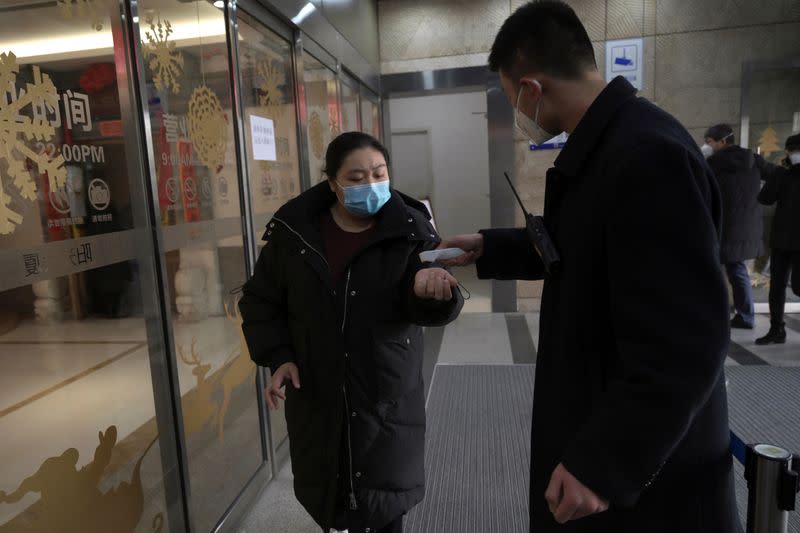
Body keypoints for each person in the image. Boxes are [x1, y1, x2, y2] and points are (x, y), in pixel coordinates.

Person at [441, 2, 740, 531]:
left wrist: (606, 463)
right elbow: (579, 249)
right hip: (597, 406)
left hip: (649, 470)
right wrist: (491, 247)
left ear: (532, 88)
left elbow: (687, 341)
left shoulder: (646, 155)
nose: (518, 112)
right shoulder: (607, 146)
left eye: (513, 97)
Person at [238, 132, 463, 533]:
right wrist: (280, 356)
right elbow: (260, 302)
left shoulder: (410, 229)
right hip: (318, 393)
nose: (370, 185)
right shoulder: (295, 235)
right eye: (356, 177)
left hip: (386, 396)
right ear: (332, 183)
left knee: (383, 503)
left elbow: (430, 305)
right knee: (329, 496)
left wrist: (433, 290)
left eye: (379, 173)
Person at [701, 123, 776, 329]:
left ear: (722, 141)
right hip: (747, 225)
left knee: (719, 272)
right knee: (737, 270)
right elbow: (776, 176)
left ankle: (728, 314)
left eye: (709, 142)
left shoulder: (712, 163)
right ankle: (743, 315)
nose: (707, 146)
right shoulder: (753, 159)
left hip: (723, 225)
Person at [755, 133, 800, 345]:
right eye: (791, 151)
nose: (794, 155)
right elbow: (764, 198)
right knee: (777, 286)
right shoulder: (783, 174)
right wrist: (779, 174)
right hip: (782, 238)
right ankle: (776, 328)